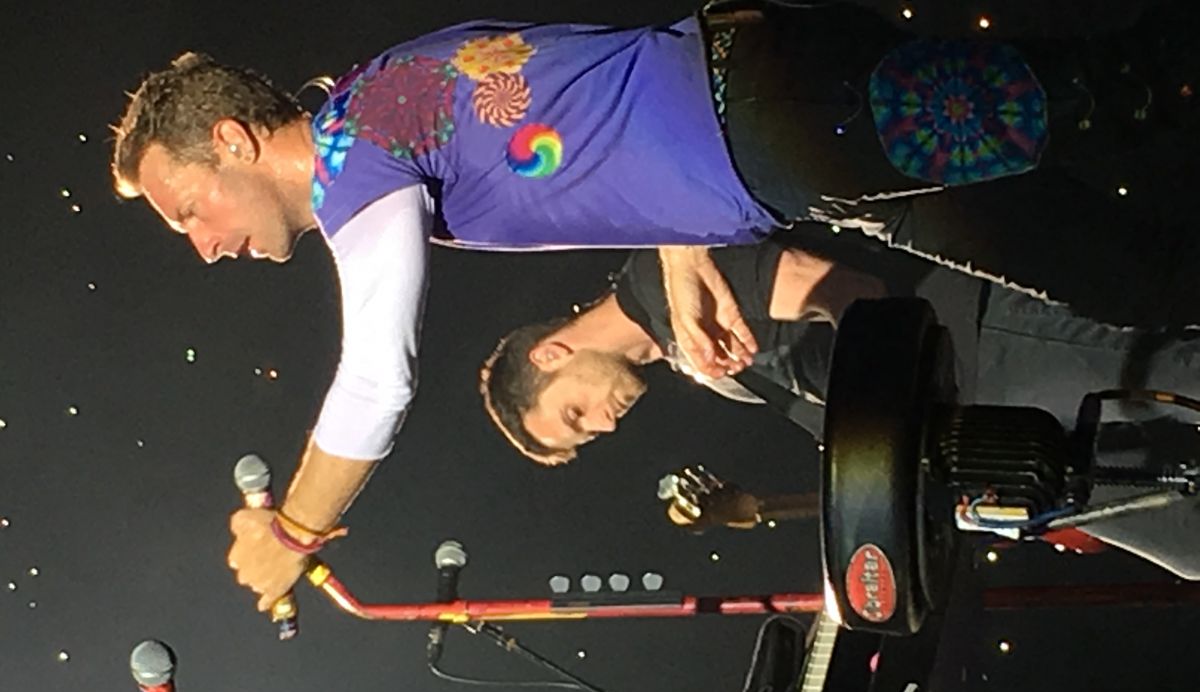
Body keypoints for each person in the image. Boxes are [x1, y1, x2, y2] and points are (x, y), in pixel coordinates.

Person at [111, 3, 1198, 609]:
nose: (203, 246)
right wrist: (682, 243)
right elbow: (594, 97)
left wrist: (295, 530)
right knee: (1116, 250)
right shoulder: (384, 96)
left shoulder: (355, 153)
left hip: (781, 118)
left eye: (187, 210)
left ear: (235, 142)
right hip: (769, 115)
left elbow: (376, 382)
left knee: (1114, 105)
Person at [479, 228, 1200, 578]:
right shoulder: (691, 357)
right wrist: (763, 508)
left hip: (985, 347)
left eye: (575, 415)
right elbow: (861, 444)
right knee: (1186, 541)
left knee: (1180, 382)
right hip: (987, 428)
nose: (604, 425)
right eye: (588, 435)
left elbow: (857, 298)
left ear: (551, 355)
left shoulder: (669, 280)